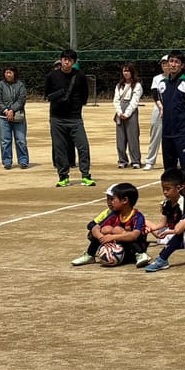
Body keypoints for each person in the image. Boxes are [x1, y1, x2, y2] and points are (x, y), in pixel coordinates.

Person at [43, 48, 95, 187]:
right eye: (65, 59)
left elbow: (84, 95)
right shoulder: (52, 76)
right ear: (61, 61)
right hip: (57, 118)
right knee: (60, 148)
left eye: (70, 60)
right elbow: (47, 95)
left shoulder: (80, 76)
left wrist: (77, 107)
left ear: (74, 62)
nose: (67, 62)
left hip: (75, 118)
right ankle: (63, 176)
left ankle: (85, 175)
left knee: (83, 146)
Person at [75, 182, 150, 267]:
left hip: (132, 250)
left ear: (125, 200)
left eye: (113, 199)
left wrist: (112, 237)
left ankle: (140, 254)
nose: (110, 202)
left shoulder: (137, 216)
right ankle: (90, 255)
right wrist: (102, 238)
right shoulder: (114, 214)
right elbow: (95, 227)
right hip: (118, 247)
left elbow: (134, 235)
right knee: (105, 229)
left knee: (118, 230)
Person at [151, 52, 185, 172]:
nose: (173, 65)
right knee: (169, 170)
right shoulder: (162, 84)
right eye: (171, 61)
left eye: (177, 62)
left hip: (183, 133)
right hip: (167, 132)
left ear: (182, 65)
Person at [0, 64, 30, 170]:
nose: (8, 74)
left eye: (10, 72)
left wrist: (12, 110)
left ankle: (23, 161)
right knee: (5, 140)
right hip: (3, 116)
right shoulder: (0, 85)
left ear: (14, 73)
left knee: (21, 140)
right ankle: (7, 161)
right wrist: (6, 110)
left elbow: (22, 99)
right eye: (6, 72)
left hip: (18, 116)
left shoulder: (20, 85)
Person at [113, 63, 145, 170]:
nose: (126, 73)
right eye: (124, 71)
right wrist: (119, 112)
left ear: (132, 72)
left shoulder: (137, 85)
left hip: (131, 112)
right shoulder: (119, 85)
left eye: (128, 71)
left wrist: (127, 113)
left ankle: (135, 160)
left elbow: (135, 101)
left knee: (133, 137)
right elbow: (116, 100)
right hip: (120, 111)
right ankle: (122, 160)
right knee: (120, 138)